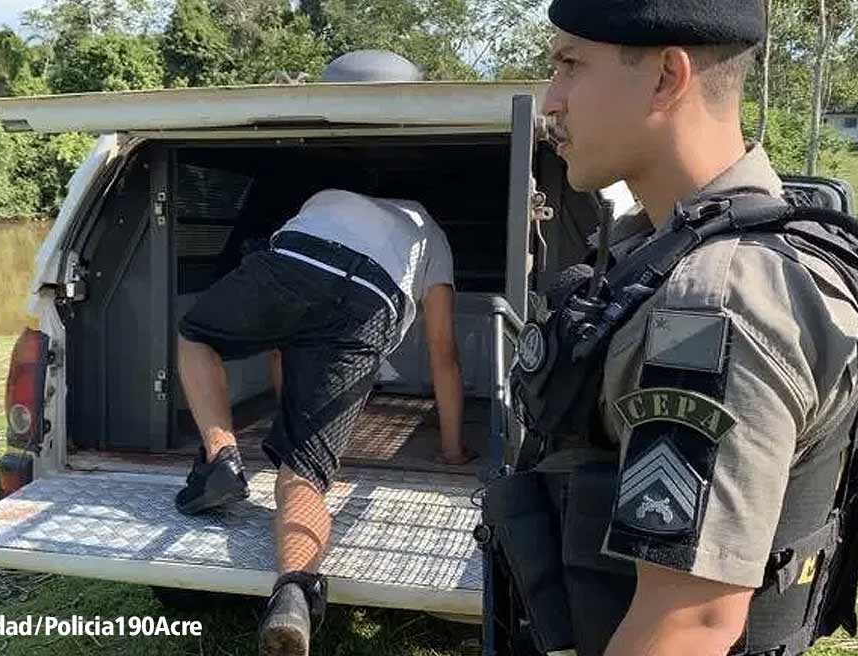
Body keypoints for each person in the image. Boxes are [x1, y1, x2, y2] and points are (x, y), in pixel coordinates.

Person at [494, 1, 858, 655]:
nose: (552, 100)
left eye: (571, 65)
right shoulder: (666, 250)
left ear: (666, 76)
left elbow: (687, 626)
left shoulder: (715, 302)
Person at [174, 187, 470, 655]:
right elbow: (443, 353)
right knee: (304, 476)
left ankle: (221, 456)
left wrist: (286, 407)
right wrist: (453, 451)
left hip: (297, 259)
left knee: (195, 336)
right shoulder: (428, 231)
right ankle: (293, 589)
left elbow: (280, 341)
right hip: (371, 298)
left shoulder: (325, 201)